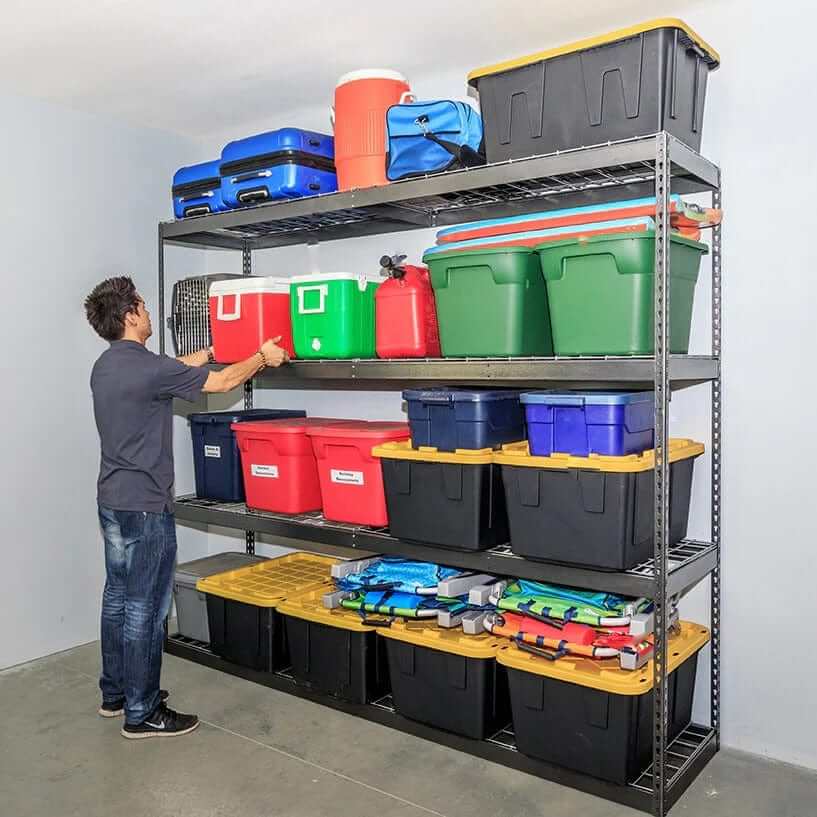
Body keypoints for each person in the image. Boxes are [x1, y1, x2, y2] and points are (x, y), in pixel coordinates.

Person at [84, 275, 288, 739]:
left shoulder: (109, 366)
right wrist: (261, 356)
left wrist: (218, 346)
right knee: (146, 608)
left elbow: (175, 369)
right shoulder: (150, 370)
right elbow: (222, 383)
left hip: (112, 501)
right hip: (147, 507)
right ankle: (143, 712)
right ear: (131, 314)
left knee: (117, 597)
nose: (150, 313)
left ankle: (115, 696)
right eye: (143, 305)